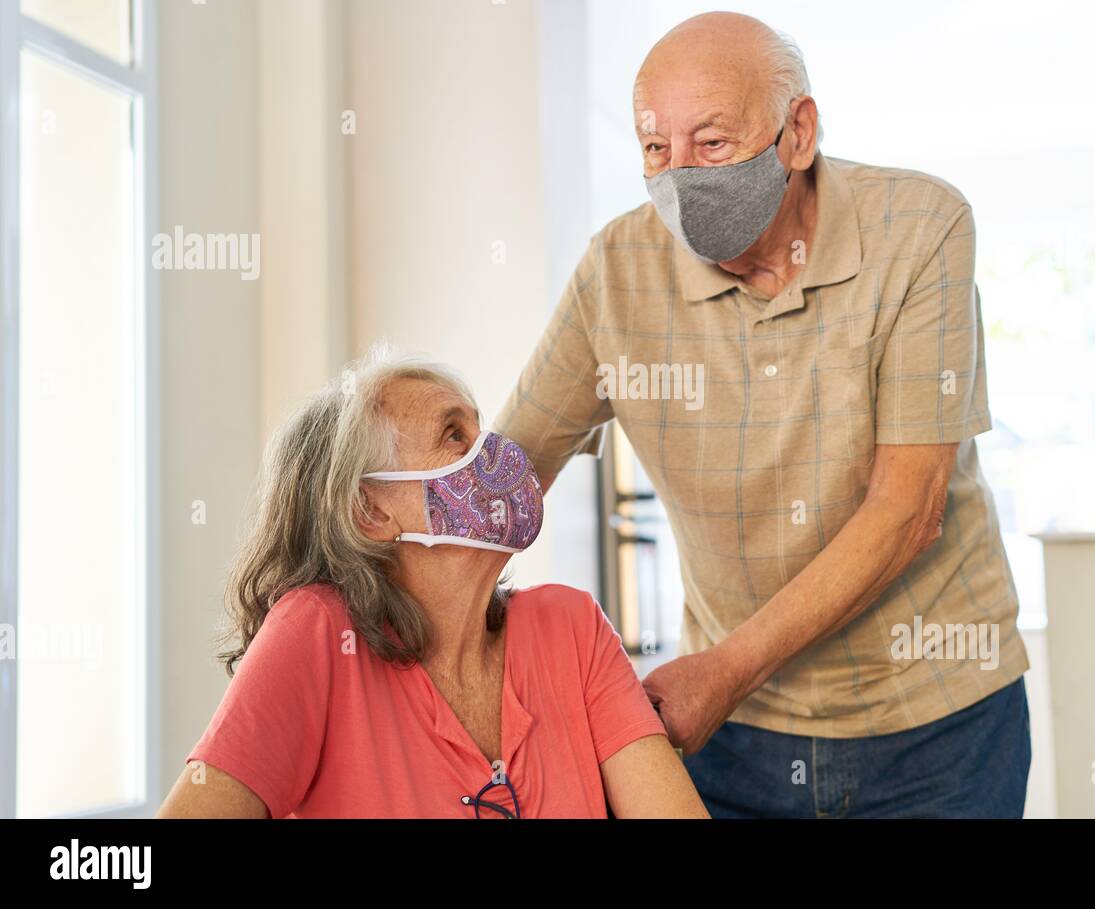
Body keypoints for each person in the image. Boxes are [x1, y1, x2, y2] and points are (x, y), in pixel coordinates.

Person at [493, 11, 1032, 817]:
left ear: (798, 131)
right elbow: (507, 475)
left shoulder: (921, 227)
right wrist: (346, 574)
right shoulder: (618, 270)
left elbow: (908, 509)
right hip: (734, 742)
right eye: (655, 149)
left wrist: (727, 668)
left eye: (711, 144)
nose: (679, 176)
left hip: (936, 725)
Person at [157, 346, 708, 818]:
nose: (496, 454)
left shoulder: (572, 627)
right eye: (453, 434)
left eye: (478, 426)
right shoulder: (317, 631)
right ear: (371, 511)